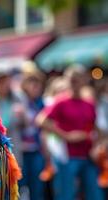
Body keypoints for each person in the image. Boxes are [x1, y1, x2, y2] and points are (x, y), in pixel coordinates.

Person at [36, 65, 104, 200]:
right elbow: (41, 120)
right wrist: (66, 136)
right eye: (71, 80)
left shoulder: (89, 103)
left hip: (87, 155)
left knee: (94, 194)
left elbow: (96, 128)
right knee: (66, 194)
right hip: (67, 156)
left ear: (84, 81)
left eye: (77, 80)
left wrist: (97, 146)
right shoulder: (60, 101)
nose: (74, 84)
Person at [16, 61, 46, 200]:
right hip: (20, 152)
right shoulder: (18, 100)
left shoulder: (42, 104)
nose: (35, 87)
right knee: (19, 187)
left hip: (36, 151)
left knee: (37, 188)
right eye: (32, 83)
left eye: (38, 84)